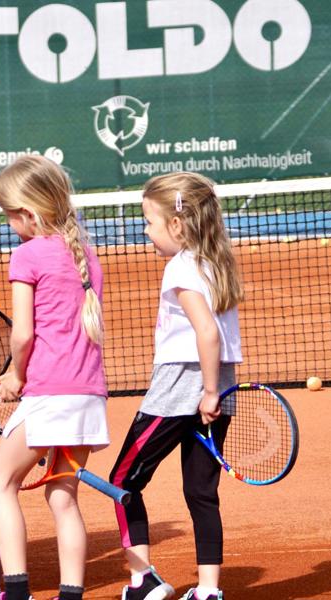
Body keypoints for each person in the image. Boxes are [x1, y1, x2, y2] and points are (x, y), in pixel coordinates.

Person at [109, 172, 243, 600]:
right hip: (220, 389)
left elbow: (206, 332)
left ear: (178, 225)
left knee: (122, 481)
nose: (145, 231)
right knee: (201, 492)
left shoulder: (180, 268)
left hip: (182, 390)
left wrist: (204, 392)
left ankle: (142, 579)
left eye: (150, 222)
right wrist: (213, 392)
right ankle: (208, 591)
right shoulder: (217, 263)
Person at [0, 155, 109, 600]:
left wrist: (15, 377)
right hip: (88, 398)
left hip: (49, 396)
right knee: (64, 498)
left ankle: (16, 592)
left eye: (9, 214)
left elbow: (23, 334)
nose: (9, 224)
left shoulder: (28, 254)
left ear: (29, 213)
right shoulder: (86, 256)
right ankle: (70, 594)